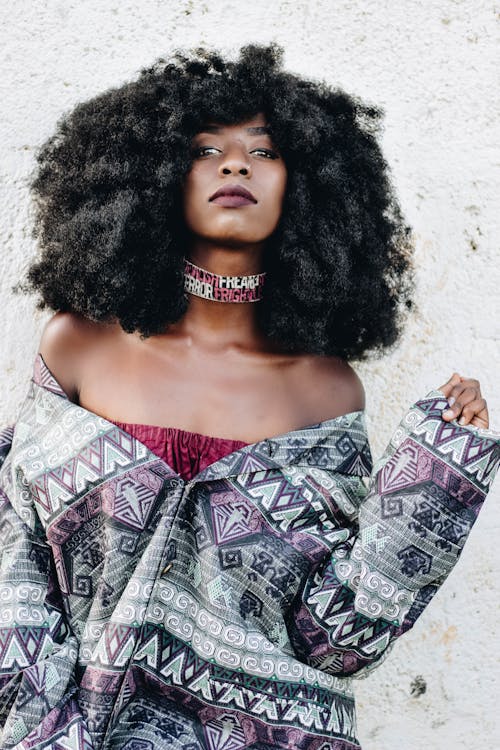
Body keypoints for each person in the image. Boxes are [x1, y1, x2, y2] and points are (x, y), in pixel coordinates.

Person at [0, 44, 497, 750]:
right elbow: (12, 558)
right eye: (207, 148)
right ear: (154, 177)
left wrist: (436, 480)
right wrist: (41, 728)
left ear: (310, 186)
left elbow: (338, 640)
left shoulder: (325, 390)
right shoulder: (79, 345)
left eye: (263, 152)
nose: (236, 164)